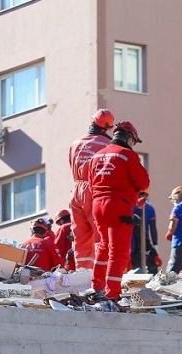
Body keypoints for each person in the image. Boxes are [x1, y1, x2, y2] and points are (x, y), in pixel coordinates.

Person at [86, 121, 149, 298]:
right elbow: (143, 182)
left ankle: (96, 287)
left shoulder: (97, 156)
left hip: (98, 206)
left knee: (103, 247)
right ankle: (112, 294)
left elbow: (91, 184)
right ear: (129, 138)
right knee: (118, 252)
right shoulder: (127, 155)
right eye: (134, 142)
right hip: (118, 206)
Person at [68, 109, 116, 271]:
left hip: (76, 191)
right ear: (108, 127)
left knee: (81, 238)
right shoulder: (108, 145)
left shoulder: (75, 144)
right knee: (102, 237)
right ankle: (102, 277)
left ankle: (82, 275)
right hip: (95, 191)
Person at [131, 191, 160, 274]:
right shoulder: (135, 206)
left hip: (141, 239)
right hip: (134, 239)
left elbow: (153, 228)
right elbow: (153, 228)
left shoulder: (149, 208)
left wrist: (155, 246)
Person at [165, 186, 182, 273]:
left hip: (179, 243)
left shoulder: (177, 209)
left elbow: (173, 226)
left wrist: (169, 233)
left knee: (172, 270)